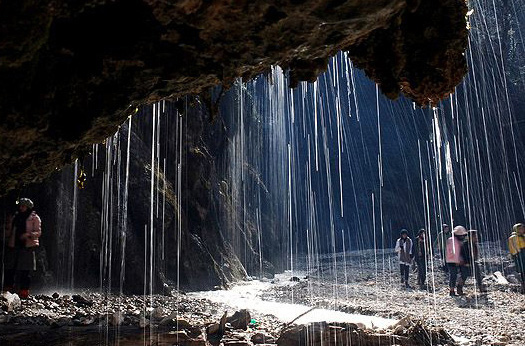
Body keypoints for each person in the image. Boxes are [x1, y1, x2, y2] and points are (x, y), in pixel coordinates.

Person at [3, 198, 41, 298]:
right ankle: (8, 288)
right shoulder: (15, 216)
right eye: (20, 206)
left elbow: (38, 232)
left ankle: (24, 291)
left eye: (23, 206)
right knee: (10, 267)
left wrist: (28, 235)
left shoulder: (34, 218)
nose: (21, 207)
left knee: (25, 269)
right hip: (14, 245)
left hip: (27, 246)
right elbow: (9, 228)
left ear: (28, 207)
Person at [446, 225, 469, 296]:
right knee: (453, 275)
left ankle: (457, 289)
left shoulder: (456, 241)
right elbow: (453, 252)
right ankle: (452, 290)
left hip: (455, 261)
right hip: (453, 261)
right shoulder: (452, 241)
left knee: (459, 274)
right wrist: (457, 260)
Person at [508, 223, 525, 294]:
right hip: (520, 254)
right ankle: (523, 286)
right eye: (521, 228)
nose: (523, 229)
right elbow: (513, 247)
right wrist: (517, 254)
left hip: (523, 252)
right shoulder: (513, 237)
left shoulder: (523, 236)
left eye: (523, 228)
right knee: (523, 271)